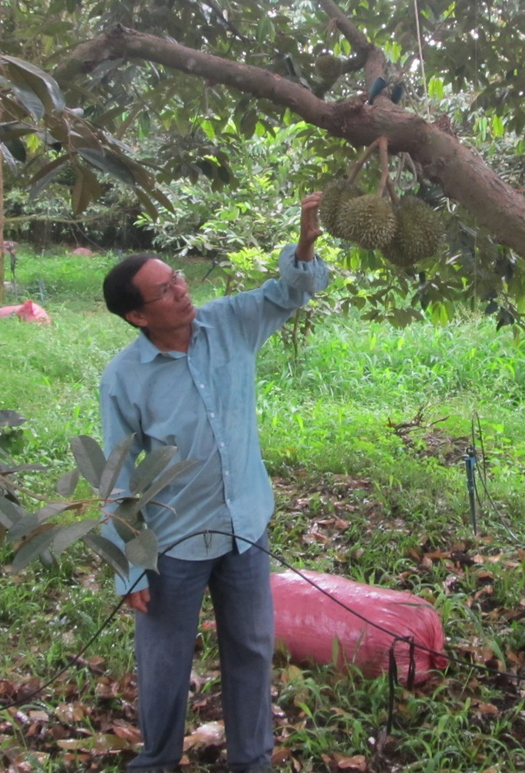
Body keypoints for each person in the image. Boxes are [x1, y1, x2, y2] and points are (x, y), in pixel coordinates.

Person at [99, 193, 329, 773]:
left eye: (176, 277)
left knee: (251, 649)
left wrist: (304, 244)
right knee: (164, 660)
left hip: (244, 525)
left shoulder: (230, 323)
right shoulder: (124, 379)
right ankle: (157, 760)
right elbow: (116, 472)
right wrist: (129, 564)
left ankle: (252, 761)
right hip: (174, 542)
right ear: (138, 316)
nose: (181, 290)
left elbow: (291, 292)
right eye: (164, 290)